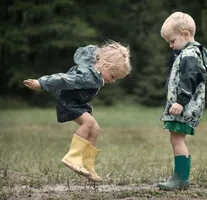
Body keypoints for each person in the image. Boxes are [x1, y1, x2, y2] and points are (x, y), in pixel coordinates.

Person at [23, 41, 131, 182]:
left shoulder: (96, 74)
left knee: (95, 129)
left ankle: (87, 165)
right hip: (67, 102)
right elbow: (63, 79)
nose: (114, 81)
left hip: (78, 103)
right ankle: (73, 157)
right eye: (113, 76)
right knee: (88, 122)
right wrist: (41, 83)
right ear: (105, 66)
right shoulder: (86, 75)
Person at [157, 12, 207, 190]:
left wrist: (180, 102)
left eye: (172, 41)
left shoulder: (190, 55)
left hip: (185, 107)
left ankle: (181, 178)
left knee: (177, 140)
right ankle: (180, 177)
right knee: (176, 139)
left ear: (186, 35)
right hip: (184, 107)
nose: (171, 46)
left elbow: (190, 79)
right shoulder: (189, 53)